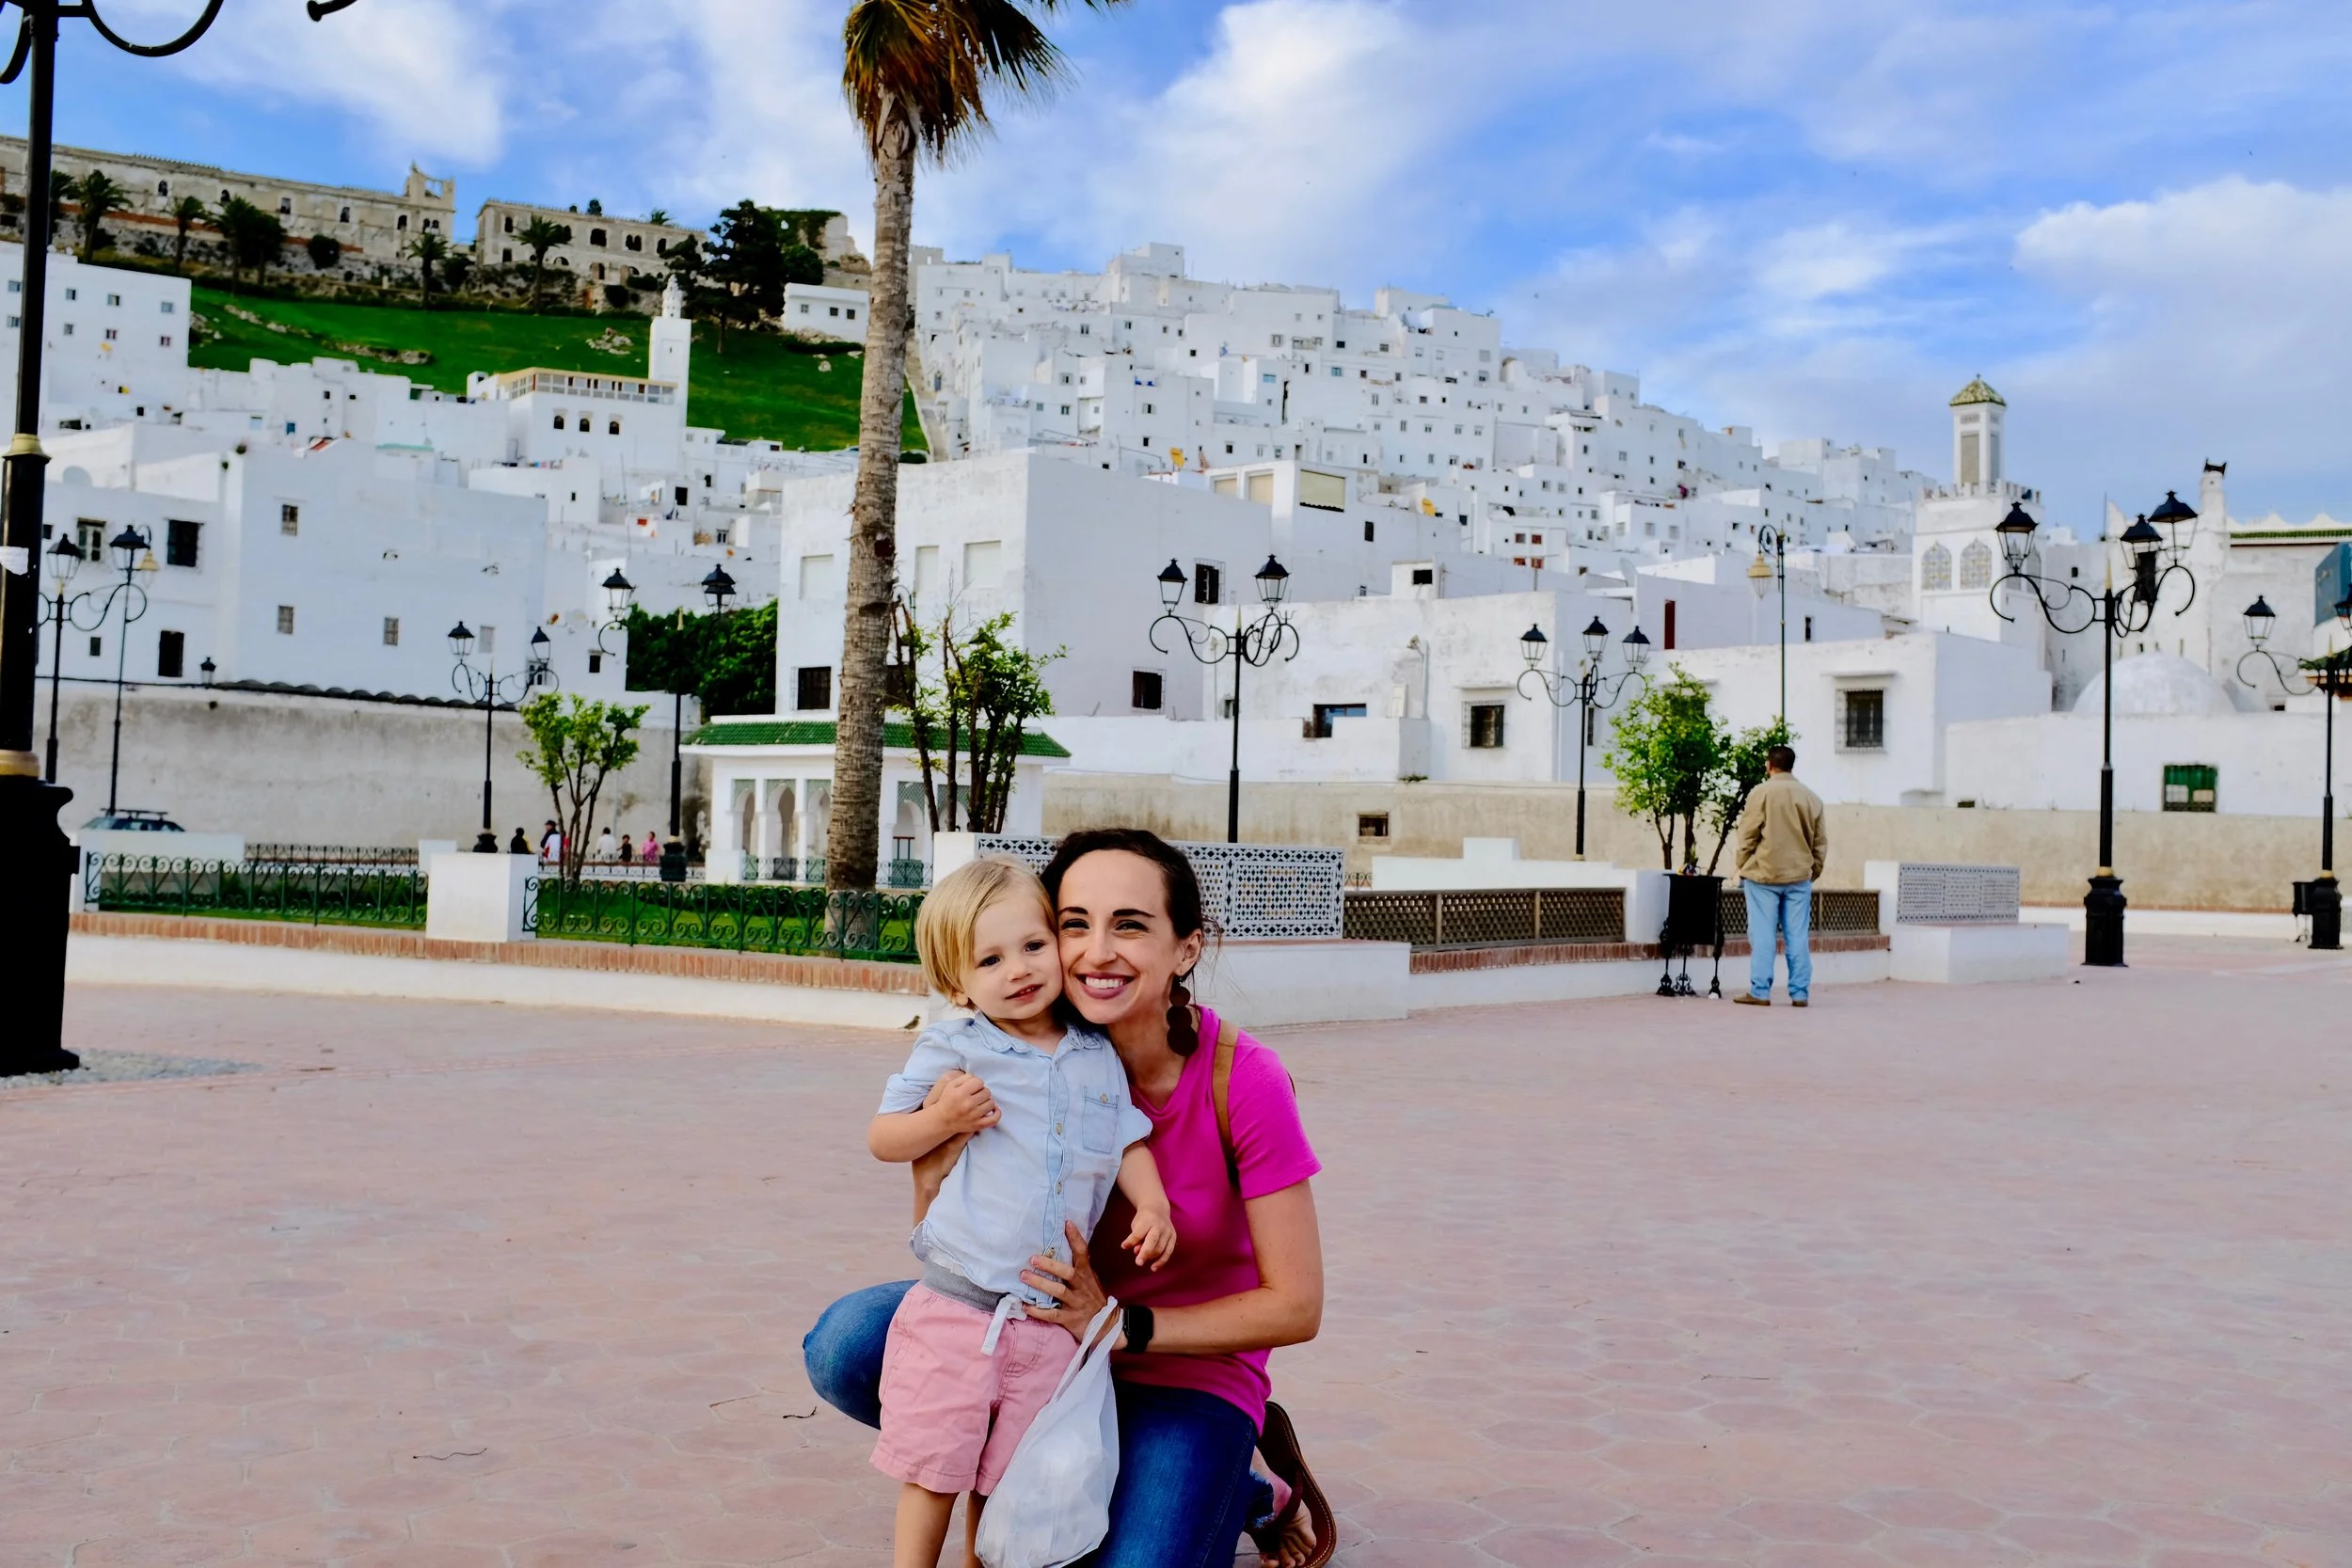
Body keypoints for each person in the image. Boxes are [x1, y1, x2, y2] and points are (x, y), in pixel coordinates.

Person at [805, 828, 1330, 1568]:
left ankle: (1239, 1487)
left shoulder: (1244, 1079)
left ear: (1186, 948)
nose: (1095, 951)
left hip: (1176, 1364)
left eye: (1131, 925)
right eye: (1075, 923)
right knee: (850, 1342)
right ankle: (1065, 1473)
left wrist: (1122, 1324)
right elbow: (942, 1210)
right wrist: (931, 1162)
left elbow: (1296, 1305)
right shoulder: (1013, 1046)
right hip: (1031, 1321)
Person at [867, 856, 1176, 1568]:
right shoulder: (958, 1045)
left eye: (1034, 945)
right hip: (959, 1309)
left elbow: (1127, 1133)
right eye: (991, 959)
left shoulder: (1096, 1053)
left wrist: (1153, 1201)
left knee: (1008, 1478)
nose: (1019, 969)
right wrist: (938, 1116)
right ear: (957, 983)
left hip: (1045, 1321)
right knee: (935, 1465)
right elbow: (885, 1136)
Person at [1734, 743, 1827, 1007]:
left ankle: (1760, 992)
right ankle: (1799, 994)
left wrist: (1743, 864)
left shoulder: (1761, 793)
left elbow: (1747, 834)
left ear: (1769, 765)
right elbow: (1820, 843)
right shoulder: (1811, 797)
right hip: (1799, 877)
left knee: (1763, 934)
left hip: (1763, 875)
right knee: (1797, 936)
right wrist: (1812, 871)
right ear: (1791, 765)